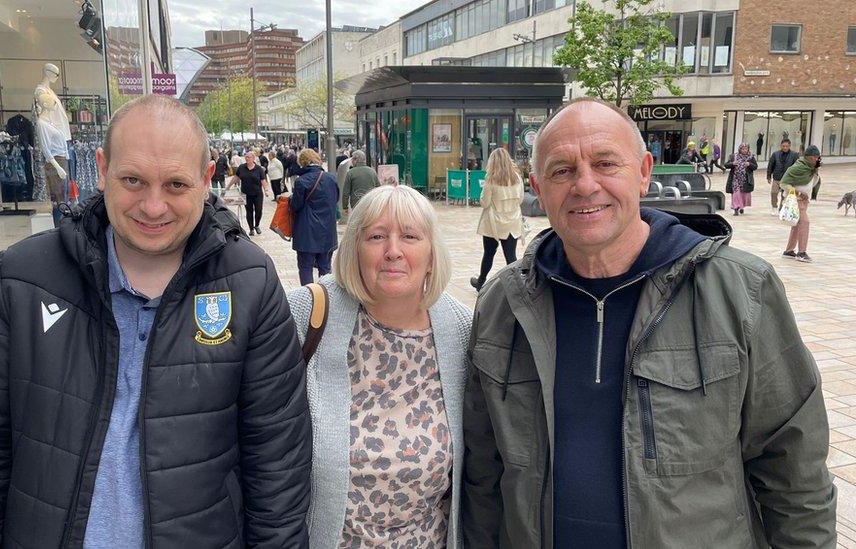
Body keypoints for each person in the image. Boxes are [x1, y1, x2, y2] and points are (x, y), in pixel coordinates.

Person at [0, 95, 312, 548]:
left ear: (207, 178)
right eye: (133, 180)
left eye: (175, 185)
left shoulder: (249, 283)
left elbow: (277, 460)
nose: (153, 207)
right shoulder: (22, 278)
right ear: (102, 166)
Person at [462, 97, 836, 548]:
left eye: (605, 164)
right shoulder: (503, 303)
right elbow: (483, 473)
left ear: (643, 173)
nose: (585, 185)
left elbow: (794, 472)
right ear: (538, 189)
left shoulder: (741, 292)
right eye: (562, 171)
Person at [287, 185, 471, 548]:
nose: (393, 252)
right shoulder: (305, 316)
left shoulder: (463, 331)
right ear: (354, 251)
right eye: (376, 236)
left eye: (410, 236)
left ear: (432, 255)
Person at [470, 147, 523, 291]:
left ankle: (481, 282)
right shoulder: (517, 178)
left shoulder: (491, 179)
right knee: (511, 256)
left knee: (488, 253)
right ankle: (519, 287)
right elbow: (521, 199)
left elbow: (484, 203)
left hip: (493, 224)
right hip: (512, 222)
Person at [290, 148, 339, 285]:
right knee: (325, 268)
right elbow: (335, 201)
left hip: (306, 232)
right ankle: (326, 298)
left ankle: (309, 299)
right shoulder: (331, 179)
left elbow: (295, 206)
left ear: (303, 162)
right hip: (327, 232)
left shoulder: (301, 181)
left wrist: (290, 199)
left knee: (305, 267)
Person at [780, 145, 822, 263]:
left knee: (797, 225)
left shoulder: (811, 169)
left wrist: (816, 170)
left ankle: (788, 251)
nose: (817, 159)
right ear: (808, 157)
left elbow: (813, 182)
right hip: (796, 199)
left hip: (804, 200)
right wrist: (797, 192)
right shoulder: (797, 168)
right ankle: (801, 252)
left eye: (818, 157)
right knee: (804, 222)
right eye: (814, 157)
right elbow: (783, 183)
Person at [229, 150, 272, 236]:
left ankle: (257, 225)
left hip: (257, 194)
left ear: (253, 158)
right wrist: (228, 186)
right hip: (246, 193)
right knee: (249, 212)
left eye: (248, 157)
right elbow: (236, 177)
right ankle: (251, 228)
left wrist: (266, 190)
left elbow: (263, 180)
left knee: (258, 210)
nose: (246, 158)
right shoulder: (241, 167)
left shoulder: (259, 169)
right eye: (246, 157)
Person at [767, 138, 799, 216]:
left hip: (788, 179)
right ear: (780, 146)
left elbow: (797, 167)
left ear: (790, 146)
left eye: (786, 146)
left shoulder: (794, 155)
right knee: (773, 193)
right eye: (783, 146)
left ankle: (781, 209)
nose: (785, 148)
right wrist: (768, 176)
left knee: (784, 195)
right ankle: (774, 207)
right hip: (777, 178)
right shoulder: (775, 154)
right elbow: (770, 165)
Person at [724, 143, 757, 216]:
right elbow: (726, 165)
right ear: (740, 149)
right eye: (743, 149)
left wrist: (749, 164)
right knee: (736, 194)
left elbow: (755, 167)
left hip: (745, 180)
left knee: (743, 195)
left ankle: (741, 207)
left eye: (746, 149)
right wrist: (732, 163)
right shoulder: (733, 156)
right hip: (735, 179)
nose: (745, 150)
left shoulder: (751, 157)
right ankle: (736, 208)